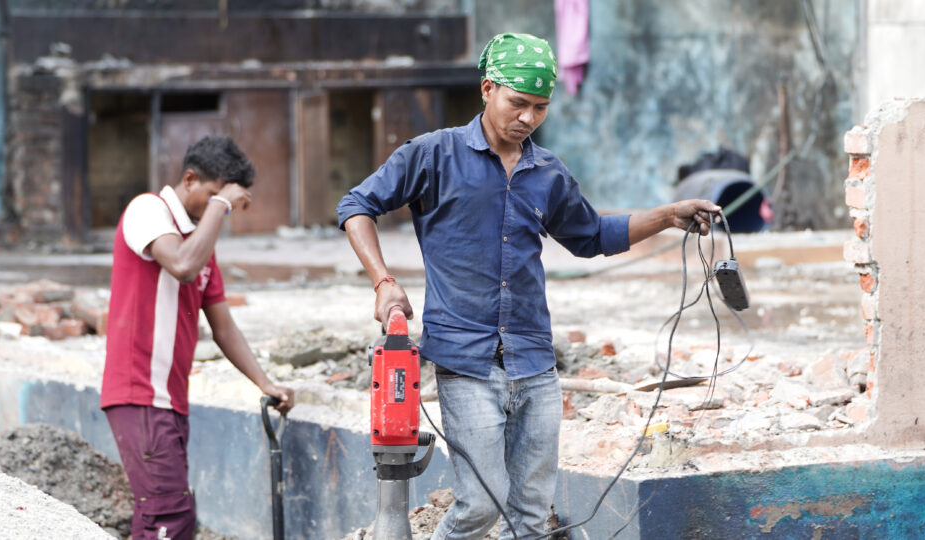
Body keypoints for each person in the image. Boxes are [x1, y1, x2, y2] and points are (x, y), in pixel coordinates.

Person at [337, 33, 720, 539]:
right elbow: (356, 206)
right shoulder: (433, 155)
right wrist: (382, 282)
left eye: (540, 108)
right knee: (479, 507)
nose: (528, 118)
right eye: (518, 103)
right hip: (465, 362)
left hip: (535, 363)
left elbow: (592, 237)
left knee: (533, 517)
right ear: (487, 88)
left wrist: (669, 215)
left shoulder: (547, 173)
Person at [100, 135, 295, 540]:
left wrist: (265, 382)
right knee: (169, 518)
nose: (220, 209)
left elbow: (223, 326)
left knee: (164, 519)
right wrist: (222, 205)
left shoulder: (199, 243)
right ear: (189, 180)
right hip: (139, 395)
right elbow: (183, 266)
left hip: (170, 402)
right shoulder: (148, 210)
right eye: (212, 194)